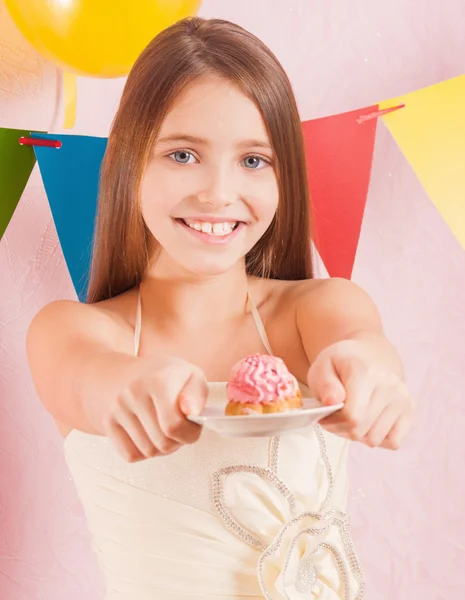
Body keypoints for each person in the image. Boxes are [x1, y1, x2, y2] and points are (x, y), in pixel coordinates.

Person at [26, 16, 414, 600]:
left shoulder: (316, 309)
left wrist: (373, 373)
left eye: (254, 161)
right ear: (130, 165)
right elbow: (85, 379)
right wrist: (128, 384)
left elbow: (360, 343)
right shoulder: (73, 330)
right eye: (183, 155)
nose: (218, 193)